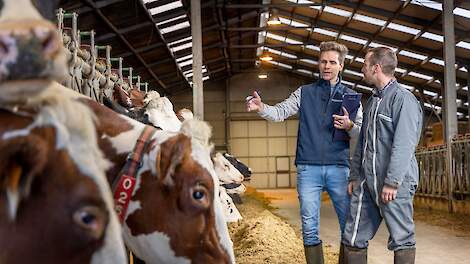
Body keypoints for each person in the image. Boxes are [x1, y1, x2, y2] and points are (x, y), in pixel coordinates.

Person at [246, 41, 363, 264]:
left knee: (348, 225)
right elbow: (280, 112)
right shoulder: (304, 93)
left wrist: (349, 126)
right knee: (309, 226)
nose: (327, 66)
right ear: (318, 64)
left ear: (341, 65)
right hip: (308, 169)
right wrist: (262, 108)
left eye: (332, 62)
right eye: (323, 61)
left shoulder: (351, 97)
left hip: (340, 169)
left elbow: (362, 133)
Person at [341, 47, 422, 264]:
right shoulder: (372, 102)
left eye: (364, 66)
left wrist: (393, 182)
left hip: (395, 185)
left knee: (402, 238)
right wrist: (354, 176)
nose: (361, 70)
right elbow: (363, 145)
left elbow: (404, 144)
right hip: (367, 182)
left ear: (376, 68)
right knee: (353, 236)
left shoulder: (403, 100)